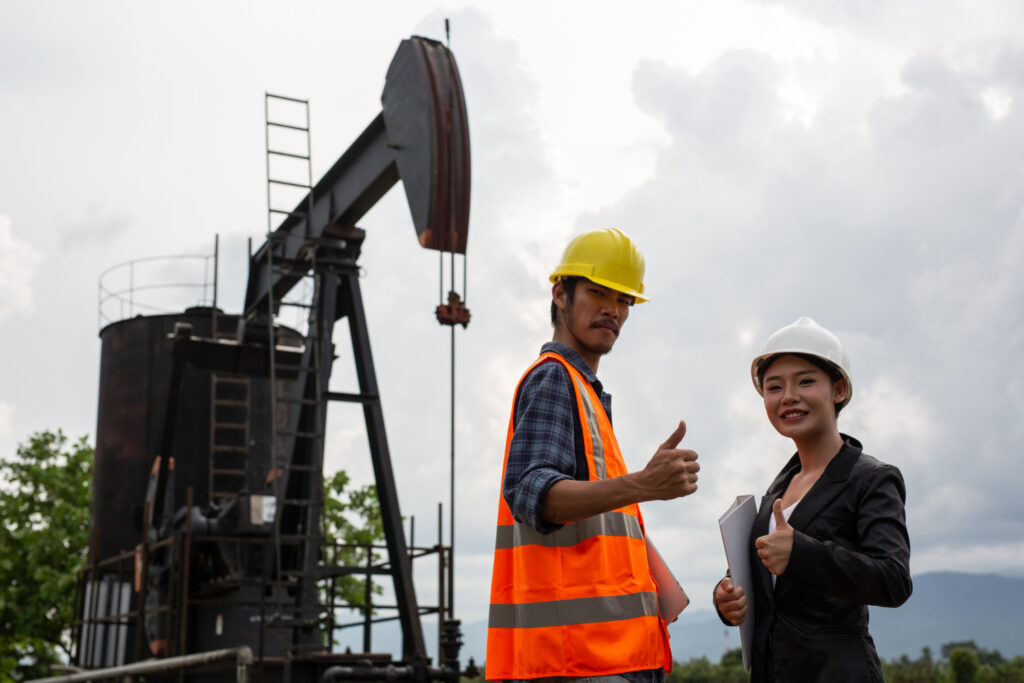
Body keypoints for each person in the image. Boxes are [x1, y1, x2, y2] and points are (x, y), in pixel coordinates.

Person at [486, 228, 700, 682]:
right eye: (598, 293)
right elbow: (531, 494)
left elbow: (598, 529)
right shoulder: (554, 381)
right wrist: (644, 484)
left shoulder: (584, 393)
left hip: (610, 655)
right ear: (561, 294)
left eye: (623, 300)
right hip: (582, 659)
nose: (613, 310)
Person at [713, 317, 912, 682]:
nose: (788, 396)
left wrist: (801, 553)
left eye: (805, 381)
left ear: (838, 390)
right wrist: (726, 597)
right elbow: (761, 577)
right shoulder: (779, 486)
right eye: (774, 387)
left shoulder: (872, 479)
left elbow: (894, 579)